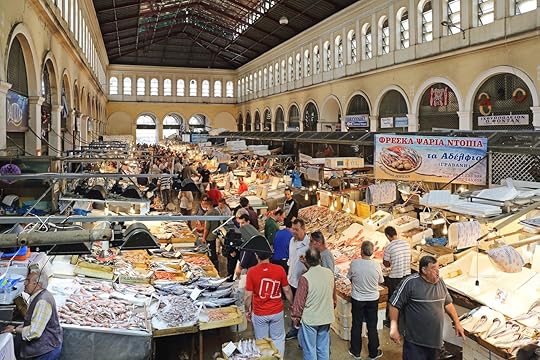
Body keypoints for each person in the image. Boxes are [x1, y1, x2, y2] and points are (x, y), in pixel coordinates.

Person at [389, 256, 465, 360]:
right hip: (415, 342)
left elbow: (448, 303)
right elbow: (394, 304)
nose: (437, 272)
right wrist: (393, 328)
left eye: (438, 268)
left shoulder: (440, 283)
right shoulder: (410, 283)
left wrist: (457, 323)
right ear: (424, 270)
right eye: (434, 269)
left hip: (435, 341)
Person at [2, 269, 63, 359]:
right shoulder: (38, 296)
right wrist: (19, 327)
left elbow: (34, 332)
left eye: (28, 281)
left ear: (37, 285)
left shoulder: (42, 301)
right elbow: (35, 320)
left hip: (45, 351)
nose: (25, 284)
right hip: (45, 348)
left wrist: (14, 330)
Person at [245, 251, 294, 356]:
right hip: (277, 312)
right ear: (269, 255)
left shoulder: (251, 271)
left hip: (259, 313)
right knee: (278, 339)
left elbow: (248, 295)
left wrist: (247, 310)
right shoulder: (279, 269)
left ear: (256, 256)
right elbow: (287, 289)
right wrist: (291, 303)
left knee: (262, 342)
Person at [291, 248, 336, 360]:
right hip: (326, 316)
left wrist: (295, 318)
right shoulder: (329, 273)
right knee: (323, 347)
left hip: (311, 319)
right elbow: (332, 294)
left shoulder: (305, 278)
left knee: (310, 349)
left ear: (307, 260)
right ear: (320, 258)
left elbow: (299, 302)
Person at [347, 241, 384, 360]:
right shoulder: (376, 265)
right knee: (372, 325)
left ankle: (355, 351)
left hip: (357, 298)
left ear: (361, 251)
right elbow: (381, 280)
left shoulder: (354, 263)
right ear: (372, 252)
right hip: (373, 299)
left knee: (356, 324)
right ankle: (373, 352)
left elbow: (349, 278)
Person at [285, 218, 310, 340]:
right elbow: (291, 260)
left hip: (303, 283)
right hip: (291, 280)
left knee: (303, 308)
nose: (293, 232)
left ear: (303, 229)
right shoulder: (291, 241)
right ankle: (294, 329)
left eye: (296, 229)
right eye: (292, 229)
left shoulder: (309, 244)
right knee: (293, 307)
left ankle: (303, 332)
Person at [383, 226, 411, 327]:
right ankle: (403, 322)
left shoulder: (389, 247)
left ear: (387, 236)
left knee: (393, 300)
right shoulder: (406, 244)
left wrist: (390, 264)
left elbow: (386, 263)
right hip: (407, 275)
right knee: (404, 299)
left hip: (395, 277)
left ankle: (392, 322)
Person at [201, 197, 221, 269]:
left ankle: (213, 268)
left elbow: (207, 228)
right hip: (215, 235)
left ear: (207, 204)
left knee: (210, 253)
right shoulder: (217, 212)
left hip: (209, 237)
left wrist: (203, 238)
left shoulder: (208, 214)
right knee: (214, 253)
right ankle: (217, 267)